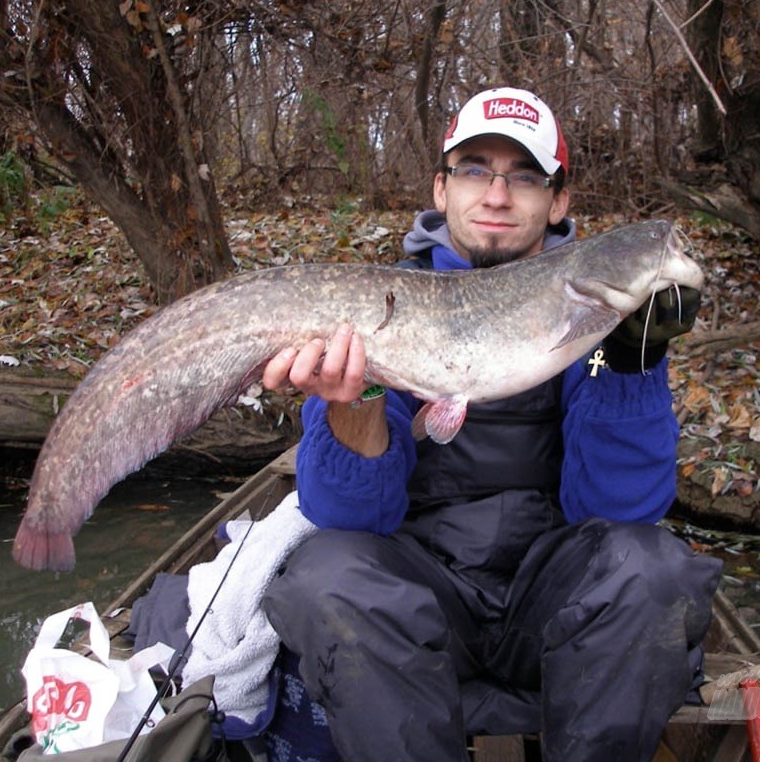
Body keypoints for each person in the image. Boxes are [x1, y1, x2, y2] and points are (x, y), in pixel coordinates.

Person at [259, 87, 722, 762]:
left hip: (556, 608)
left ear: (558, 201)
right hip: (423, 607)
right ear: (441, 189)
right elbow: (347, 516)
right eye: (475, 169)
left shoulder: (605, 314)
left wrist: (632, 364)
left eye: (525, 177)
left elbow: (619, 511)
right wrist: (349, 402)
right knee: (326, 572)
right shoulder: (383, 303)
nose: (498, 196)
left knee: (653, 571)